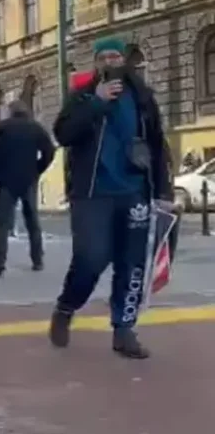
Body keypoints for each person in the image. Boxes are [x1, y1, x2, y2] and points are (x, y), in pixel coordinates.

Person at [48, 36, 172, 359]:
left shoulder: (143, 100)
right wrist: (96, 101)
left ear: (125, 62)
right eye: (103, 57)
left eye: (116, 56)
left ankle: (123, 329)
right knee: (92, 258)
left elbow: (158, 146)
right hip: (92, 194)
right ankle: (66, 306)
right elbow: (63, 134)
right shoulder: (83, 97)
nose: (110, 62)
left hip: (134, 192)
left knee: (132, 264)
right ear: (96, 64)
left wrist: (163, 191)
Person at [0, 99, 56, 277]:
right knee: (33, 221)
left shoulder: (1, 128)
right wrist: (38, 168)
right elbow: (49, 150)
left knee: (3, 223)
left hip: (6, 181)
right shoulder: (35, 128)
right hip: (28, 179)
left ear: (11, 112)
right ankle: (37, 259)